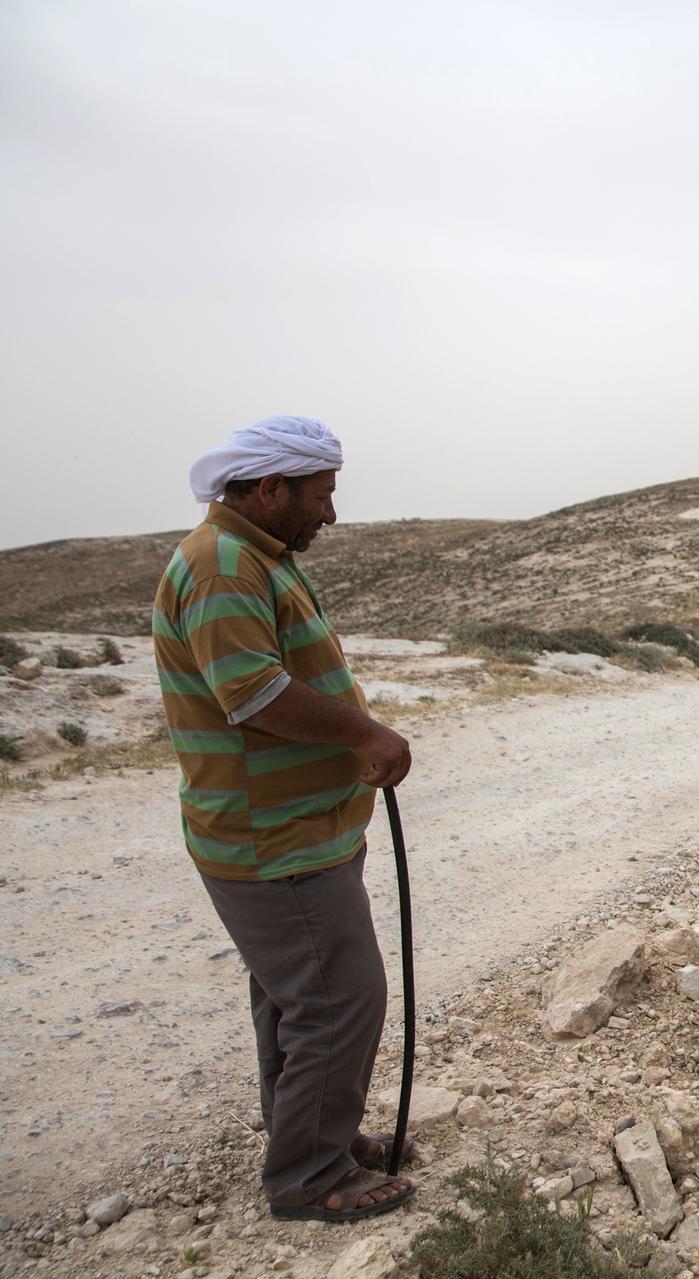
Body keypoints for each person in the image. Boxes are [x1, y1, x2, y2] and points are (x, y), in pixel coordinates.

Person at [153, 416, 415, 1222]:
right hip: (273, 837)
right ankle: (307, 1174)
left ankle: (309, 1136)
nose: (329, 515)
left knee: (297, 997)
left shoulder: (252, 554)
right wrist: (366, 732)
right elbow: (253, 693)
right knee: (340, 997)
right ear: (270, 488)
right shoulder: (225, 563)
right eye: (321, 495)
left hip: (293, 828)